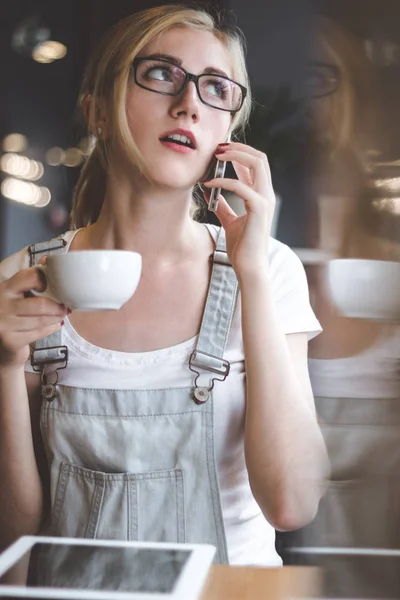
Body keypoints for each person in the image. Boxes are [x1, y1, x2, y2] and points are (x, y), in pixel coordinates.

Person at [0, 4, 329, 566]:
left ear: (228, 130)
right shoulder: (19, 280)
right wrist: (4, 363)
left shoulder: (269, 269)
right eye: (160, 74)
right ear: (97, 112)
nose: (189, 105)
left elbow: (293, 503)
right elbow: (16, 533)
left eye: (216, 88)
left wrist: (248, 271)